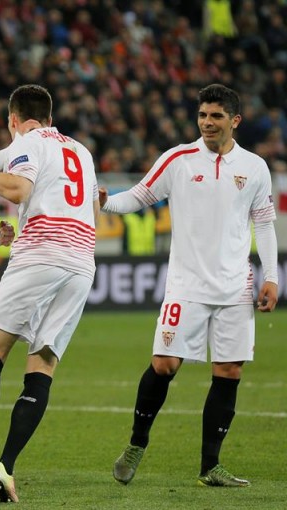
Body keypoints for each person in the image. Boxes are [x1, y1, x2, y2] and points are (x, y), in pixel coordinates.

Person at [100, 84, 278, 487]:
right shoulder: (179, 159)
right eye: (202, 115)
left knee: (229, 371)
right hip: (186, 284)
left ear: (235, 120)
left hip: (236, 287)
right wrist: (106, 202)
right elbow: (141, 195)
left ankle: (210, 467)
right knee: (164, 364)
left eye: (216, 116)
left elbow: (264, 223)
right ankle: (136, 444)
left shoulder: (254, 167)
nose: (207, 123)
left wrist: (271, 276)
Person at [0, 84, 100, 504]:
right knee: (42, 365)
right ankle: (8, 467)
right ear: (50, 117)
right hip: (81, 264)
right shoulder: (82, 152)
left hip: (41, 253)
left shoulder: (29, 143)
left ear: (13, 120)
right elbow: (93, 211)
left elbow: (19, 190)